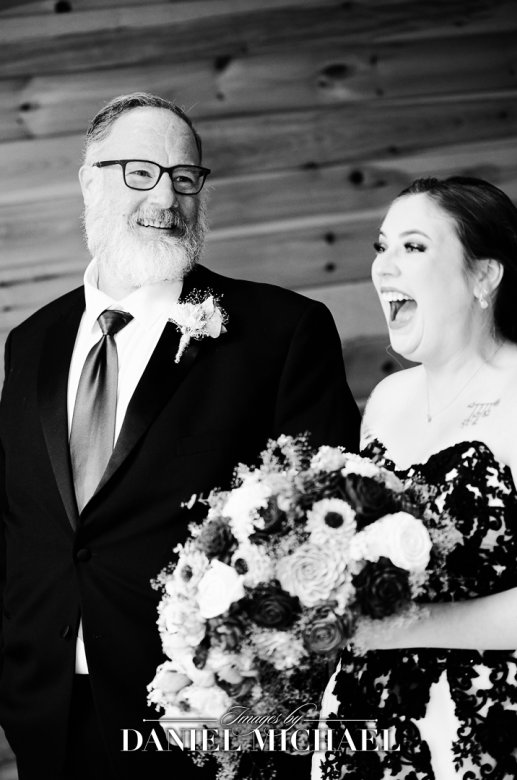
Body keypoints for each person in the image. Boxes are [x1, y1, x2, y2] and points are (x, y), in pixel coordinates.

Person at [0, 92, 360, 780]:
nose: (165, 196)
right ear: (88, 181)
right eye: (140, 171)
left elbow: (324, 537)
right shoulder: (32, 341)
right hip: (47, 719)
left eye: (184, 177)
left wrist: (257, 715)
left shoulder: (281, 331)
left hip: (209, 729)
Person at [313, 176, 517, 780]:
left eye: (414, 247)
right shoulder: (386, 399)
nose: (384, 266)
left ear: (484, 276)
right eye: (381, 247)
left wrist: (391, 632)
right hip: (365, 727)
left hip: (484, 731)